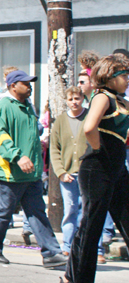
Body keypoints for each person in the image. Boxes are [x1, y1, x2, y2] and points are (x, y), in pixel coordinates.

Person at [0, 70, 67, 268]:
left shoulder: (28, 106)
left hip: (31, 172)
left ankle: (51, 253)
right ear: (13, 86)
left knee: (37, 213)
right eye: (25, 83)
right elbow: (0, 137)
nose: (30, 86)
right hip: (10, 172)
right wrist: (18, 157)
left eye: (30, 83)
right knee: (4, 211)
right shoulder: (3, 106)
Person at [60, 55, 129, 283]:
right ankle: (70, 280)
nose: (127, 79)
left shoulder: (121, 101)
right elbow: (89, 127)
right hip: (97, 168)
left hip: (117, 168)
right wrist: (99, 150)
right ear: (109, 78)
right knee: (91, 224)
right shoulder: (102, 97)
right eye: (123, 75)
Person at [49, 86, 88, 256]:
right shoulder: (60, 121)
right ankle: (67, 245)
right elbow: (54, 149)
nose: (74, 102)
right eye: (71, 99)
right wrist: (61, 172)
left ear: (82, 99)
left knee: (88, 212)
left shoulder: (89, 116)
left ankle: (93, 248)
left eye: (77, 98)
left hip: (87, 173)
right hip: (68, 175)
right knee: (70, 210)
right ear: (66, 101)